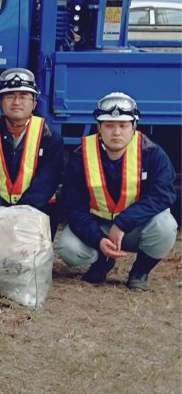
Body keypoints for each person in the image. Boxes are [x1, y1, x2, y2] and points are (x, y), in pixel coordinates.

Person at [55, 93, 178, 291]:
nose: (116, 132)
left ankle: (140, 272)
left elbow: (163, 194)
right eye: (109, 125)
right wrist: (98, 239)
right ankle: (102, 261)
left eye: (123, 125)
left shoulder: (152, 153)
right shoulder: (81, 156)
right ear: (99, 127)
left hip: (133, 228)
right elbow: (74, 206)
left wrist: (122, 224)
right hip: (98, 226)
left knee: (165, 226)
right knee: (68, 249)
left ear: (134, 127)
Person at [0, 68, 63, 212]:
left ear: (34, 103)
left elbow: (46, 182)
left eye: (24, 96)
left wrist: (21, 214)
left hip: (35, 211)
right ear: (0, 102)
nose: (16, 102)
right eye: (9, 96)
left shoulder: (50, 137)